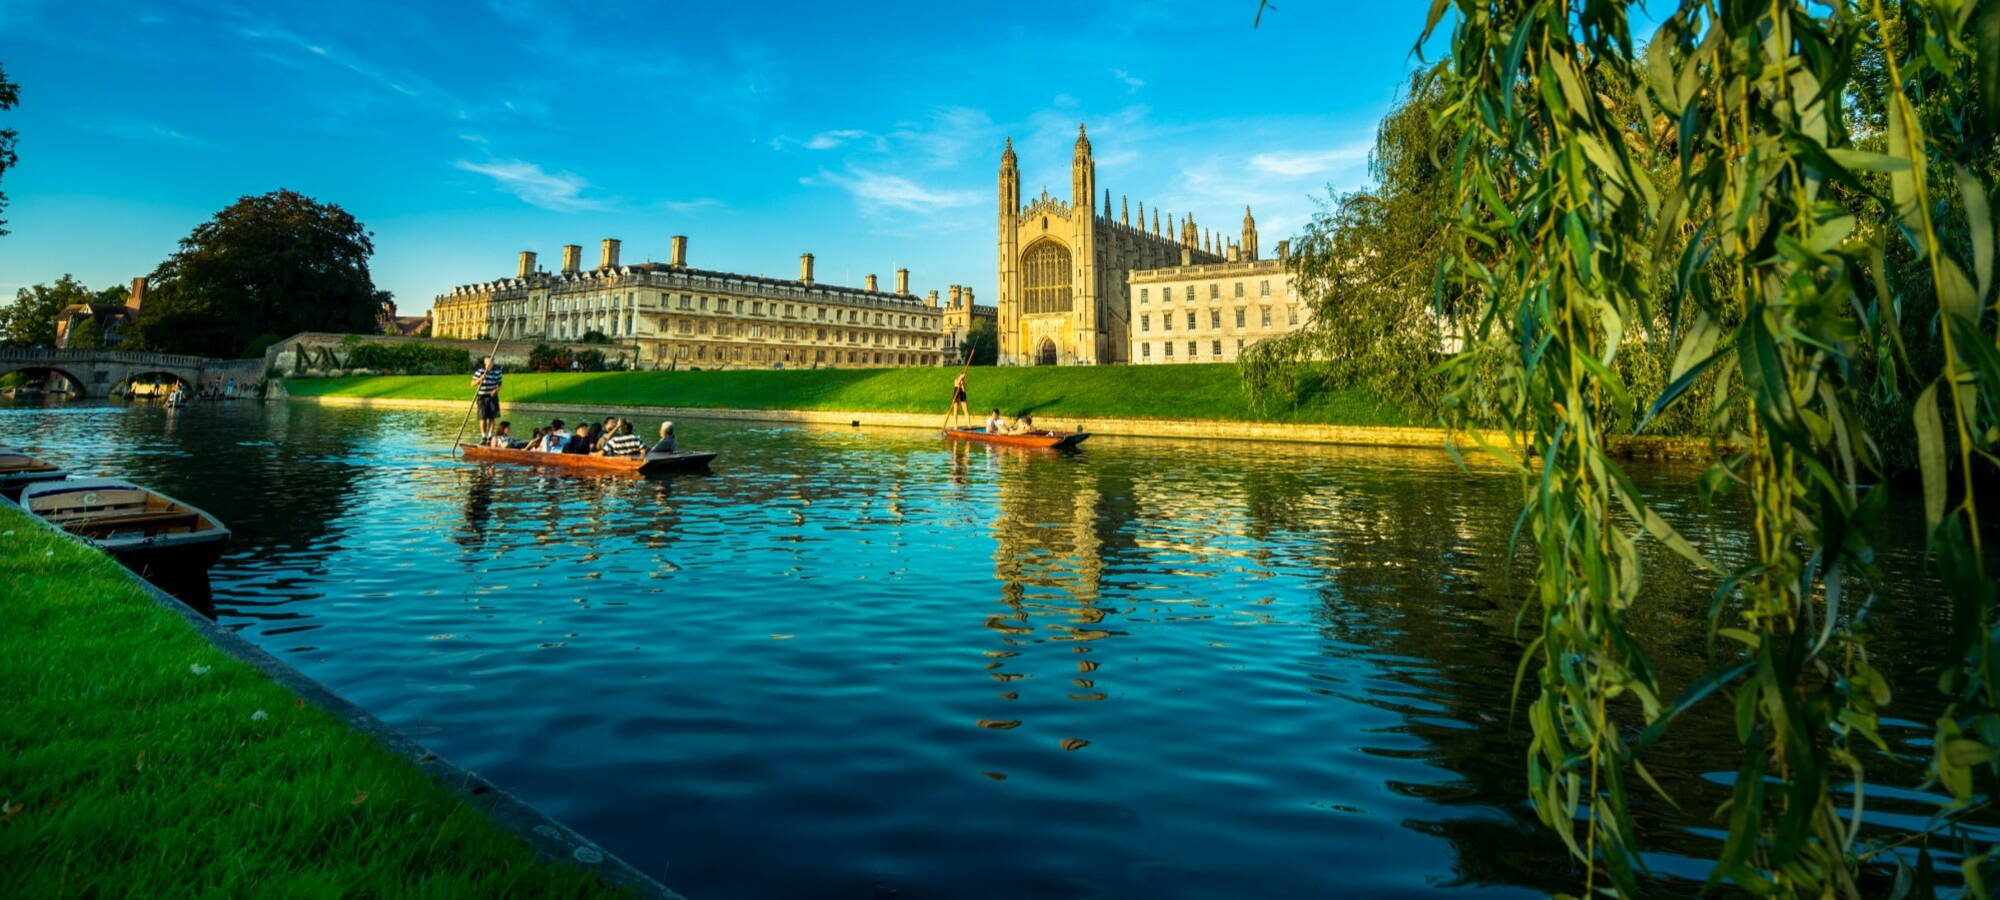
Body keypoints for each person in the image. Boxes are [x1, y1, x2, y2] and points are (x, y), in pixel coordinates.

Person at [470, 356, 503, 443]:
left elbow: (500, 385)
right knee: (482, 417)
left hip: (492, 397)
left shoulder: (497, 372)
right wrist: (480, 379)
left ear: (493, 363)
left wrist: (496, 390)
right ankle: (483, 436)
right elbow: (472, 384)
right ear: (485, 363)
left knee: (492, 417)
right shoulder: (480, 372)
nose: (489, 365)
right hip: (482, 396)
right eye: (487, 363)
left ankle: (489, 436)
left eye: (490, 363)